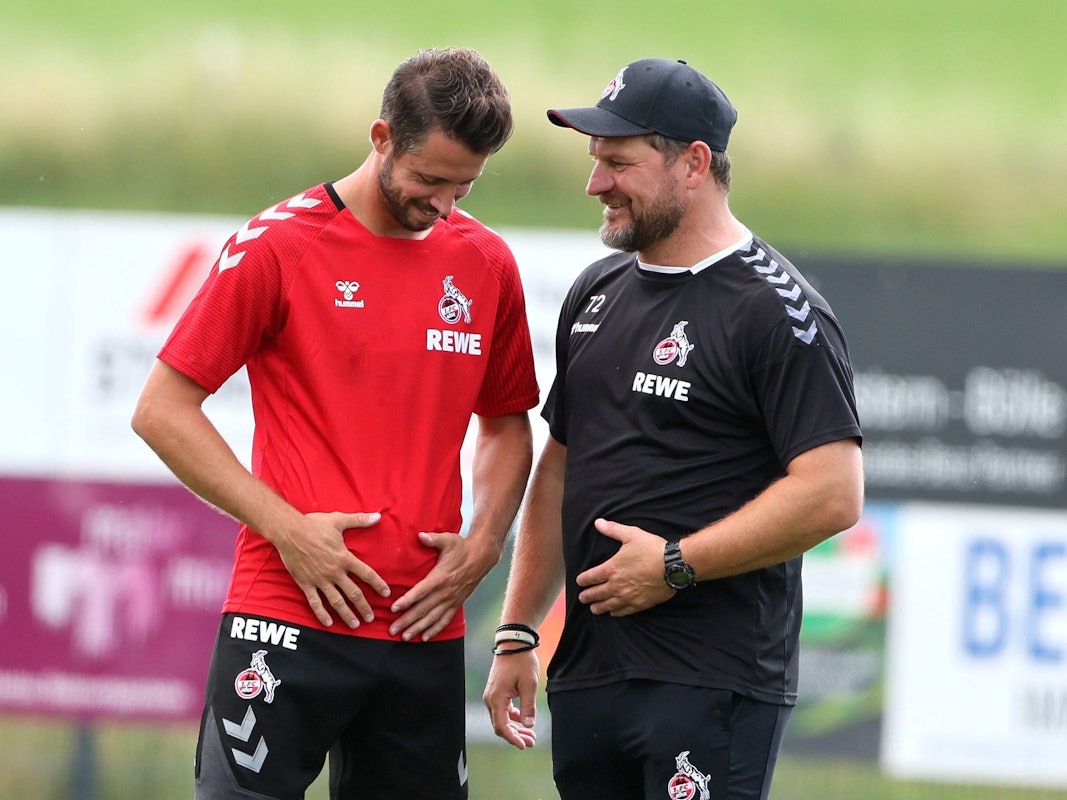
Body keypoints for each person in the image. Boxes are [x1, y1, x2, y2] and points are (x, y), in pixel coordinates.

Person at [132, 47, 538, 800]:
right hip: (287, 612)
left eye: (464, 186)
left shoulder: (486, 263)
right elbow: (161, 410)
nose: (444, 205)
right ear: (382, 138)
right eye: (429, 180)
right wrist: (288, 530)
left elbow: (507, 426)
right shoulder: (281, 245)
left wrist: (484, 544)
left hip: (422, 626)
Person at [483, 57, 864, 799]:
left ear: (694, 164)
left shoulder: (776, 309)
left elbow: (831, 493)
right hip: (589, 673)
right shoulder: (595, 290)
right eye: (595, 160)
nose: (596, 184)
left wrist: (675, 564)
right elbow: (559, 467)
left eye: (619, 163)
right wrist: (518, 630)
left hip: (711, 681)